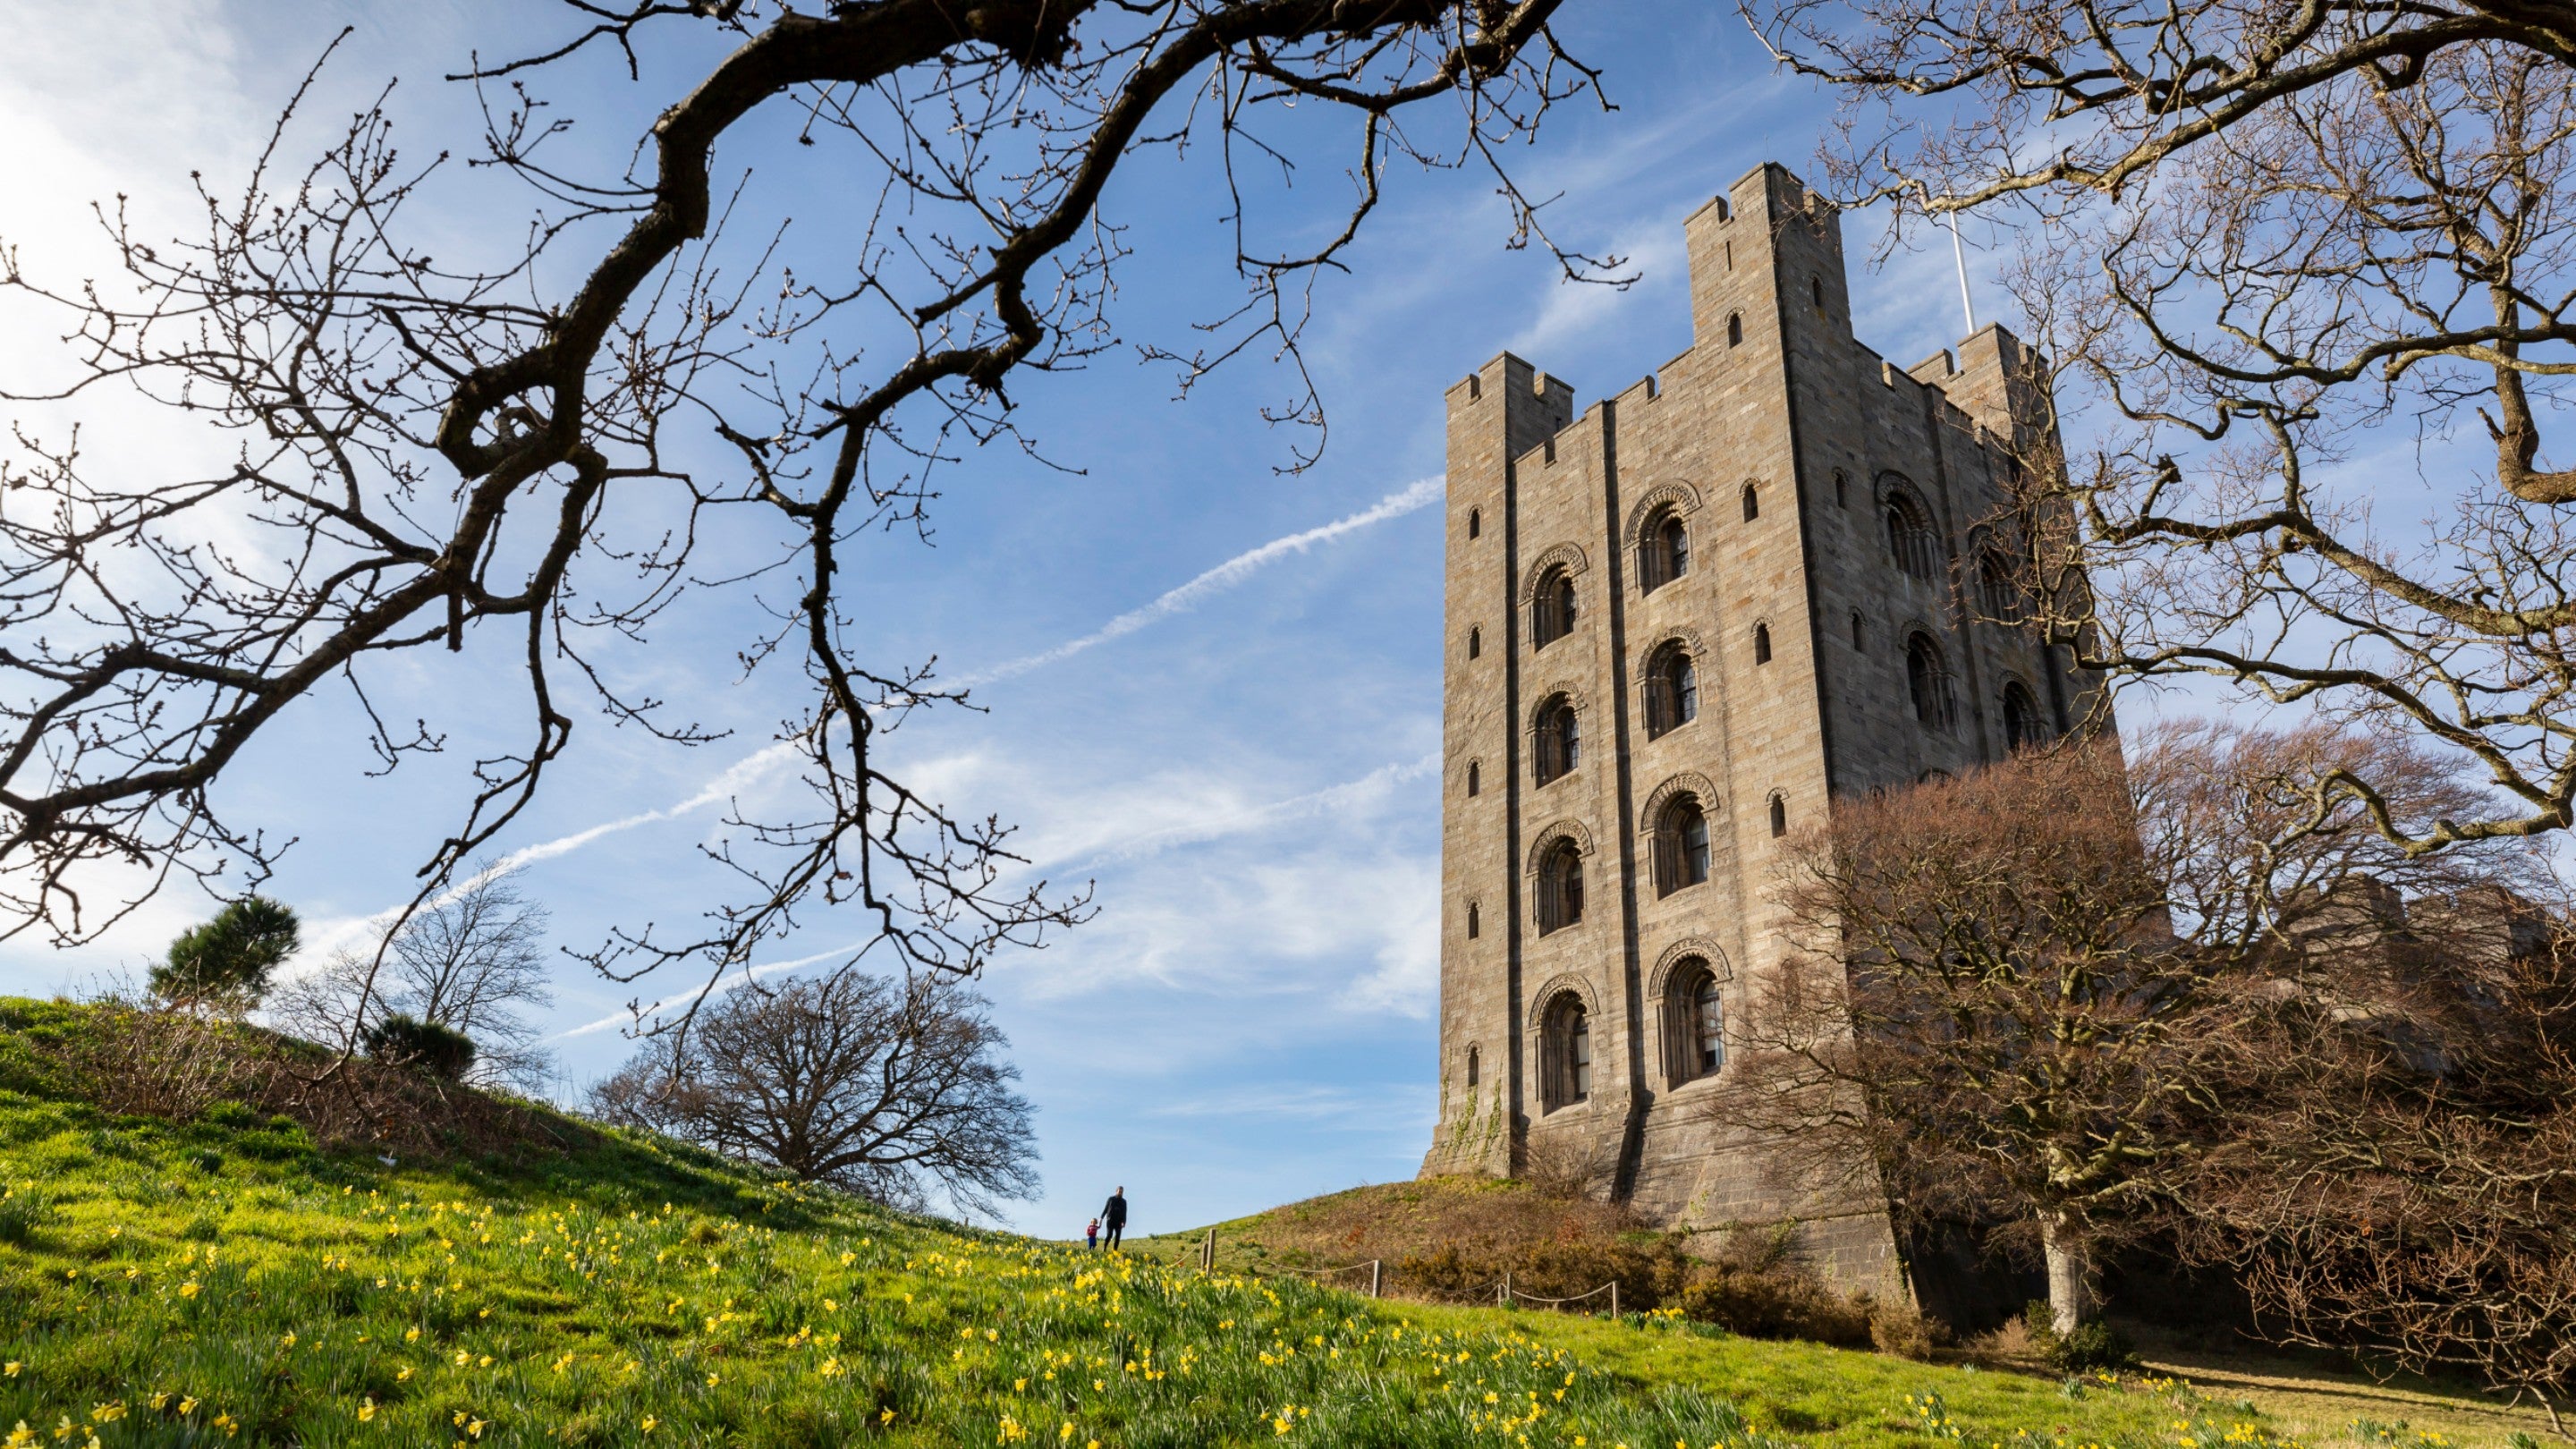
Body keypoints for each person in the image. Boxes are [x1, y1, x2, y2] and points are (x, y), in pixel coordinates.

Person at [1099, 1186, 1128, 1250]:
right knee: (1109, 1235)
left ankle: (1115, 1251)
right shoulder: (1111, 1199)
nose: (1120, 1193)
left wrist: (1124, 1222)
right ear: (1116, 1191)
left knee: (1118, 1237)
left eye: (1121, 1192)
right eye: (1119, 1191)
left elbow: (1124, 1212)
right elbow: (1106, 1209)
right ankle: (1105, 1247)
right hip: (1110, 1220)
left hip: (1119, 1221)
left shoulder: (1124, 1202)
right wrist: (1101, 1218)